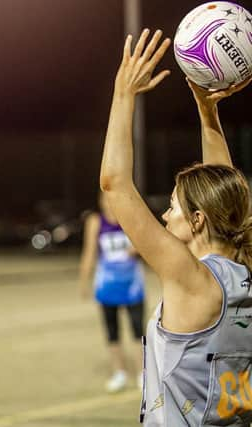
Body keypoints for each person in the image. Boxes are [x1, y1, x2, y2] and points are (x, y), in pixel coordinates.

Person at [100, 28, 252, 426]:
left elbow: (114, 184)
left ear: (199, 219)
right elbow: (226, 187)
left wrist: (122, 94)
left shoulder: (191, 279)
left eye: (172, 207)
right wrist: (208, 112)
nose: (165, 217)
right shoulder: (246, 271)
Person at [79, 192, 145, 393]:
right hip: (107, 285)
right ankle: (119, 373)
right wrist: (84, 280)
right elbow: (90, 251)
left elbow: (147, 245)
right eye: (104, 200)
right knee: (112, 331)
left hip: (132, 284)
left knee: (137, 330)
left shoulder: (130, 219)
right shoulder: (95, 222)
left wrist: (137, 249)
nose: (108, 204)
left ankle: (143, 374)